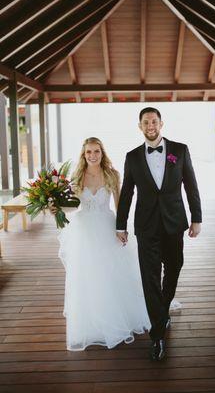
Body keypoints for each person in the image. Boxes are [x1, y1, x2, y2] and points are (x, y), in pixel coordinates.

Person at [116, 107, 202, 361]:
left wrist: (196, 218)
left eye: (154, 121)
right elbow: (127, 193)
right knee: (150, 277)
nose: (150, 125)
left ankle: (162, 312)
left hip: (175, 222)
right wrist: (120, 225)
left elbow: (191, 186)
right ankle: (157, 336)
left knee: (175, 266)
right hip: (146, 225)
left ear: (161, 123)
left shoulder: (180, 150)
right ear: (140, 126)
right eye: (145, 122)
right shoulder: (132, 157)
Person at [53, 137, 150, 351]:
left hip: (106, 227)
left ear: (102, 153)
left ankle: (115, 317)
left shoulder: (112, 175)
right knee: (87, 276)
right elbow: (72, 207)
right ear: (83, 154)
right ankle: (91, 322)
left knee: (110, 273)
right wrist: (57, 207)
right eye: (88, 152)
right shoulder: (77, 177)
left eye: (96, 151)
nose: (92, 156)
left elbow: (119, 205)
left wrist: (121, 229)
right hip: (84, 230)